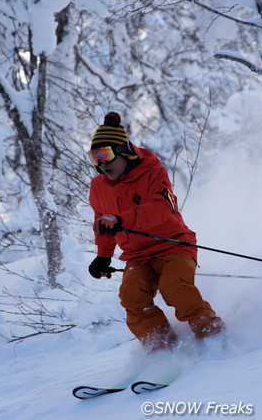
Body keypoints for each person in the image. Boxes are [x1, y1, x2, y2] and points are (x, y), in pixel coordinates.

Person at [87, 111, 225, 352]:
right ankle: (160, 347)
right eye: (95, 157)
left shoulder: (153, 173)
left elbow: (161, 208)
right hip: (137, 257)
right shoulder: (99, 186)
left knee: (174, 288)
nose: (102, 163)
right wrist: (103, 256)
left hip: (173, 246)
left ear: (123, 150)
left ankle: (212, 334)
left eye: (106, 154)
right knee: (132, 296)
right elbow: (101, 221)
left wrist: (122, 219)